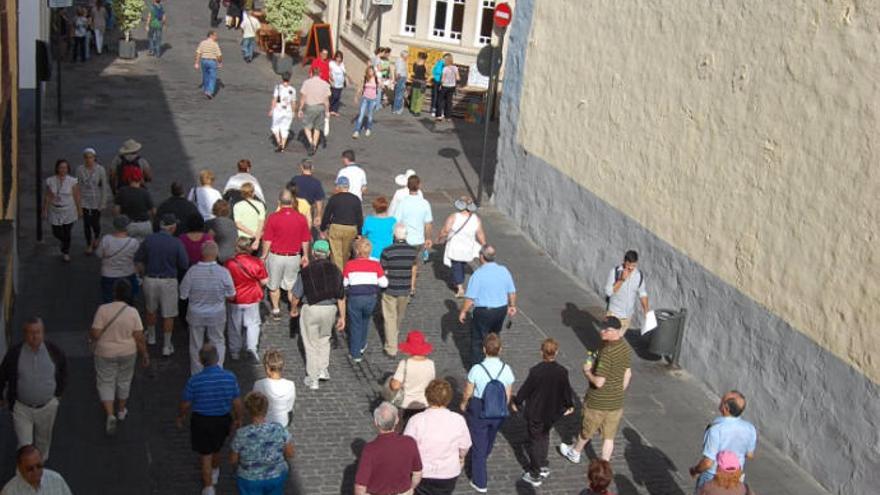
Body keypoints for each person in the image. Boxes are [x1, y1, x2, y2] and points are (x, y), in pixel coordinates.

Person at [559, 316, 633, 463]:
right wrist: (618, 392)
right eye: (602, 327)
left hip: (597, 402)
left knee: (587, 431)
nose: (601, 331)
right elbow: (628, 373)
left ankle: (575, 452)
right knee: (609, 437)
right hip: (615, 403)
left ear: (614, 331)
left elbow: (599, 382)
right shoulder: (625, 347)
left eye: (606, 329)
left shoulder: (607, 352)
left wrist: (587, 372)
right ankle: (604, 464)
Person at [176, 343, 244, 495]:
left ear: (200, 360)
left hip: (201, 421)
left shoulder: (194, 381)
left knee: (205, 454)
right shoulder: (229, 377)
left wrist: (181, 416)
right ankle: (215, 472)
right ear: (217, 358)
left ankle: (208, 487)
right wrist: (239, 418)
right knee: (217, 448)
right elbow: (237, 402)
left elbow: (185, 403)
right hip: (222, 419)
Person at [0, 318, 68, 461]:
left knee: (43, 442)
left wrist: (57, 396)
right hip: (22, 408)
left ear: (43, 333)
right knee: (25, 446)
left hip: (47, 407)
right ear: (25, 334)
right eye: (31, 333)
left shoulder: (54, 352)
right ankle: (25, 473)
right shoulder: (14, 354)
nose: (35, 336)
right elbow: (3, 375)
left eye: (38, 332)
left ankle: (39, 470)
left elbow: (63, 372)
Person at [514, 338, 577, 487]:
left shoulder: (536, 371)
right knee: (544, 437)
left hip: (536, 412)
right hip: (552, 412)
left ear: (541, 352)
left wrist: (516, 402)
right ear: (556, 352)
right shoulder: (562, 371)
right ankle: (542, 464)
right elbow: (566, 391)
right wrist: (569, 405)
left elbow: (525, 391)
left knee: (535, 441)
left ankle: (535, 473)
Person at [89, 280, 149, 435]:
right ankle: (121, 410)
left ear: (114, 293)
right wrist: (144, 354)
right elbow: (139, 337)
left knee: (106, 381)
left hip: (105, 352)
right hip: (127, 352)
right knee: (124, 380)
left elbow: (95, 333)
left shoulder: (103, 310)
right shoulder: (133, 312)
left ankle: (110, 414)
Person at [458, 333, 514, 493]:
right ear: (500, 350)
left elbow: (468, 392)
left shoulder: (476, 369)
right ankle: (485, 453)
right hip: (498, 410)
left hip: (479, 408)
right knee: (490, 435)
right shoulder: (506, 369)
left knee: (478, 443)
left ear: (484, 349)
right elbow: (508, 394)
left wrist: (463, 404)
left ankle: (480, 481)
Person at [290, 240, 345, 390]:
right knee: (325, 338)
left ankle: (312, 377)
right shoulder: (336, 270)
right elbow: (341, 296)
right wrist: (342, 316)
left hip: (311, 308)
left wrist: (293, 308)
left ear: (313, 254)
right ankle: (323, 369)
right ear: (328, 254)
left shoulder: (306, 271)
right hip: (330, 309)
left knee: (310, 343)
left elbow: (296, 294)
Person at [403, 379, 471, 495]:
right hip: (448, 472)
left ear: (427, 396)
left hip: (422, 472)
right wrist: (461, 457)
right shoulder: (458, 419)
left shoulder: (416, 420)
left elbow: (406, 448)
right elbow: (465, 446)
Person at [135, 214, 189, 355]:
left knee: (150, 310)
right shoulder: (176, 243)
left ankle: (151, 337)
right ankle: (166, 345)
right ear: (172, 228)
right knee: (168, 314)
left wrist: (141, 274)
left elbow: (139, 259)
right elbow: (184, 264)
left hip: (150, 279)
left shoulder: (149, 239)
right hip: (168, 280)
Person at [180, 241, 236, 375]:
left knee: (195, 344)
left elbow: (183, 295)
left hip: (196, 313)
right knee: (218, 341)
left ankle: (197, 373)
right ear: (216, 254)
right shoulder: (223, 272)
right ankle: (218, 370)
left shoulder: (192, 271)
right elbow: (232, 295)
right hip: (217, 314)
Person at [457, 245, 517, 365]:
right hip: (501, 310)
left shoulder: (478, 274)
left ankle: (478, 367)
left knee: (478, 340)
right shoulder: (503, 270)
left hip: (484, 312)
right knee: (494, 337)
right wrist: (512, 306)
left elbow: (470, 298)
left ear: (481, 256)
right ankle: (493, 361)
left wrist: (463, 311)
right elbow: (512, 291)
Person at [689, 391, 757, 491]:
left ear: (726, 408)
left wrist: (695, 470)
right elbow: (750, 455)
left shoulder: (716, 429)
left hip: (714, 476)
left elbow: (708, 463)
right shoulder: (750, 428)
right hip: (736, 476)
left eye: (722, 400)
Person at [230, 391, 295, 494]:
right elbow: (290, 453)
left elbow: (233, 460)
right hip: (276, 475)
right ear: (266, 409)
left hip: (249, 478)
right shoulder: (278, 428)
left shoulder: (241, 433)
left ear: (248, 410)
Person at [261, 189, 311, 320]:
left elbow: (268, 240)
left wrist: (264, 255)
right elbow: (305, 239)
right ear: (293, 202)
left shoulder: (273, 217)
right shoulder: (301, 218)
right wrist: (305, 255)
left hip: (276, 256)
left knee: (273, 285)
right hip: (293, 256)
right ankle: (293, 308)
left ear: (279, 202)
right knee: (291, 285)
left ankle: (276, 309)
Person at [355, 402, 423, 495]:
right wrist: (410, 488)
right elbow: (417, 473)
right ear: (397, 420)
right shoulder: (409, 442)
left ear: (376, 422)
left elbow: (360, 486)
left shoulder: (370, 449)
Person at [343, 238, 388, 362]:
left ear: (357, 251)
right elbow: (384, 283)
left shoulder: (350, 265)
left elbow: (344, 283)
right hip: (370, 299)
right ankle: (362, 345)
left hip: (355, 298)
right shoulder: (376, 265)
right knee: (365, 321)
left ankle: (355, 353)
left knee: (355, 324)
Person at [225, 237, 268, 362]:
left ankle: (234, 351)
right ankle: (251, 348)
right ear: (249, 248)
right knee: (253, 324)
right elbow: (264, 281)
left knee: (234, 325)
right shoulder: (256, 262)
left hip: (235, 298)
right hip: (252, 297)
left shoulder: (229, 263)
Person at [389, 175, 432, 293]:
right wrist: (428, 238)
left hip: (404, 238)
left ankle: (402, 284)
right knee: (414, 264)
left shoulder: (403, 203)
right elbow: (428, 223)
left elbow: (396, 221)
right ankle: (412, 287)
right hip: (418, 239)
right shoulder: (425, 203)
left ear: (407, 186)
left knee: (402, 263)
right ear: (419, 186)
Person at [379, 224, 418, 357]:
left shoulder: (387, 251)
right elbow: (413, 269)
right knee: (399, 317)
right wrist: (413, 286)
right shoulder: (413, 251)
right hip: (405, 288)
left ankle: (391, 347)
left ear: (394, 235)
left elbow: (382, 270)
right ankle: (393, 338)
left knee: (390, 318)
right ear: (406, 235)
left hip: (390, 288)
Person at [437, 196, 485, 298]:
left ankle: (460, 288)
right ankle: (458, 281)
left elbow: (445, 230)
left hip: (455, 247)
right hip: (468, 247)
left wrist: (440, 237)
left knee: (456, 266)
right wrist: (484, 244)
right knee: (462, 264)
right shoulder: (476, 219)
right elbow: (480, 233)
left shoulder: (454, 217)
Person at [390, 331, 436, 425]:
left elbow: (395, 386)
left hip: (406, 405)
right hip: (424, 404)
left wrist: (390, 381)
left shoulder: (405, 364)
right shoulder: (430, 364)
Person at [320, 176, 363, 271]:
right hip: (351, 229)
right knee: (346, 253)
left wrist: (323, 229)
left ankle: (338, 275)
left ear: (339, 187)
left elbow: (327, 215)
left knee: (336, 254)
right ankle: (346, 273)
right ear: (348, 187)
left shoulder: (334, 198)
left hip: (336, 227)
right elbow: (359, 217)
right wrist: (359, 233)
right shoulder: (356, 199)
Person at [43, 159, 81, 262]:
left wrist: (79, 210)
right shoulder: (50, 181)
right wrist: (45, 210)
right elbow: (48, 196)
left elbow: (76, 196)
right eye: (61, 167)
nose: (63, 169)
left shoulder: (72, 181)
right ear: (57, 168)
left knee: (67, 232)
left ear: (68, 169)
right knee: (56, 232)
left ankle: (66, 252)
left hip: (69, 210)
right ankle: (64, 242)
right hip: (55, 210)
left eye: (65, 167)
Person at [96, 216, 140, 303]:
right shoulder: (133, 242)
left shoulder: (106, 239)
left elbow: (99, 254)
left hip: (108, 275)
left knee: (109, 299)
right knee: (129, 299)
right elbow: (137, 258)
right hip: (128, 273)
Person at [604, 250, 650, 332]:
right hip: (614, 313)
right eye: (628, 265)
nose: (630, 268)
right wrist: (621, 280)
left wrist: (646, 311)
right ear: (624, 261)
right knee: (611, 340)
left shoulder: (639, 275)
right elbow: (608, 292)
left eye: (633, 265)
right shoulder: (615, 272)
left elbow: (642, 293)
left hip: (627, 316)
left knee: (618, 340)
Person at [75, 147, 109, 254]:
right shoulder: (79, 170)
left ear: (94, 158)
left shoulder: (100, 169)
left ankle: (97, 236)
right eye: (86, 158)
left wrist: (103, 202)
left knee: (95, 222)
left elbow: (104, 187)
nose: (89, 160)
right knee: (86, 223)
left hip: (96, 199)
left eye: (91, 157)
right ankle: (88, 244)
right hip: (85, 200)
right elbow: (77, 186)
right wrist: (78, 203)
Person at [1, 445, 72, 495]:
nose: (35, 471)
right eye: (30, 469)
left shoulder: (57, 480)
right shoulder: (9, 491)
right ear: (20, 468)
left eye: (39, 466)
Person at [251, 350, 296, 427]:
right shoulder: (290, 384)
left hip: (264, 421)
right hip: (282, 421)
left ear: (267, 368)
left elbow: (255, 405)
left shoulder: (259, 384)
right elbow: (289, 407)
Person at [113, 168, 154, 241]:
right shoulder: (145, 192)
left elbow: (116, 210)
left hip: (129, 224)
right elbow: (153, 211)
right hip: (145, 224)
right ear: (140, 178)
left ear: (128, 179)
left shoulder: (122, 191)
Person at [298, 67, 331, 155]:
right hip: (321, 107)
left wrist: (300, 109)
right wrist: (327, 112)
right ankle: (315, 145)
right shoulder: (325, 84)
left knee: (306, 126)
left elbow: (303, 97)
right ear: (320, 74)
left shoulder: (307, 83)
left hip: (310, 107)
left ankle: (311, 142)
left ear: (311, 74)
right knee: (317, 128)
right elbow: (326, 100)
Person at [289, 159, 325, 226]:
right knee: (306, 231)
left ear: (301, 168)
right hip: (308, 210)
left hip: (295, 208)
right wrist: (319, 215)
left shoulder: (295, 179)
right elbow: (319, 200)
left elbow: (288, 194)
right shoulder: (316, 183)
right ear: (312, 168)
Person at [352, 66, 382, 139]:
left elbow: (381, 87)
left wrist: (383, 84)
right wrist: (356, 96)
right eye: (369, 71)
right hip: (365, 99)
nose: (370, 72)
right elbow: (360, 88)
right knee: (361, 115)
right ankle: (357, 131)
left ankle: (368, 128)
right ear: (367, 72)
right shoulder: (365, 78)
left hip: (373, 100)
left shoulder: (376, 79)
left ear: (374, 72)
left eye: (372, 71)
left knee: (370, 115)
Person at [233, 183, 266, 247]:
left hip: (243, 239)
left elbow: (238, 224)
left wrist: (252, 233)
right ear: (253, 193)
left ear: (242, 194)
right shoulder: (260, 205)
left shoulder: (237, 206)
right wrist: (257, 239)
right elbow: (261, 223)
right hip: (257, 237)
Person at [269, 75, 296, 152]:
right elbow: (293, 102)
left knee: (275, 126)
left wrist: (271, 109)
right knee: (285, 128)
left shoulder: (278, 87)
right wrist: (293, 112)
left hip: (278, 109)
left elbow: (274, 99)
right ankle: (283, 146)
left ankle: (279, 142)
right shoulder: (292, 89)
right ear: (289, 79)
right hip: (288, 111)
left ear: (282, 78)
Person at [195, 31, 223, 99]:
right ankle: (209, 91)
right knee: (212, 77)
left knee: (205, 76)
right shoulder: (215, 44)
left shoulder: (202, 43)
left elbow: (198, 53)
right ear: (211, 35)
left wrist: (196, 63)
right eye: (215, 35)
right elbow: (219, 55)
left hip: (204, 61)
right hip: (212, 62)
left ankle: (206, 90)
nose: (216, 37)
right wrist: (220, 62)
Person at [435, 54, 459, 121]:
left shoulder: (445, 68)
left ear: (446, 60)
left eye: (444, 60)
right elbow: (458, 78)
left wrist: (440, 85)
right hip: (452, 86)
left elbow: (442, 79)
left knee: (440, 100)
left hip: (445, 86)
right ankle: (448, 117)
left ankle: (439, 116)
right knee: (449, 101)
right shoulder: (455, 68)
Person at [328, 51, 349, 115]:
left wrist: (347, 80)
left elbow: (344, 73)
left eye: (340, 57)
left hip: (340, 83)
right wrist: (330, 78)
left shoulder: (342, 64)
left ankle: (335, 110)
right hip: (334, 82)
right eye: (337, 57)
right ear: (335, 57)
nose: (339, 59)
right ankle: (329, 109)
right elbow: (329, 71)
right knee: (334, 96)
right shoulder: (332, 63)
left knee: (338, 97)